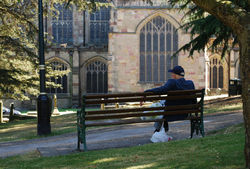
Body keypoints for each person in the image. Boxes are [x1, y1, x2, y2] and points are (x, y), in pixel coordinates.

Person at [144, 65, 196, 134]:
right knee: (164, 103)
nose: (171, 75)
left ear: (175, 75)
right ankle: (160, 128)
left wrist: (147, 91)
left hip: (169, 113)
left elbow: (162, 90)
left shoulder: (172, 82)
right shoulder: (190, 83)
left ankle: (157, 130)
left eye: (172, 73)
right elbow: (194, 99)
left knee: (160, 105)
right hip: (184, 113)